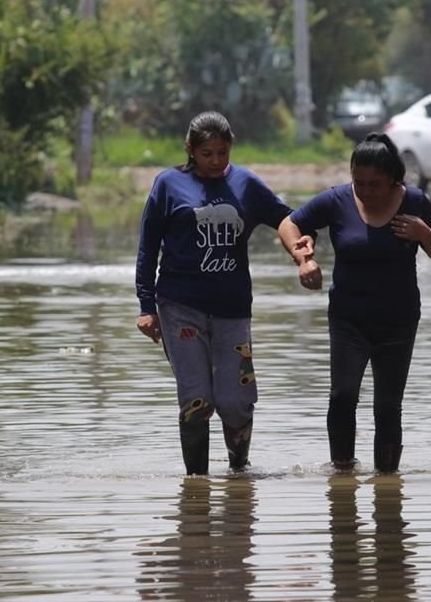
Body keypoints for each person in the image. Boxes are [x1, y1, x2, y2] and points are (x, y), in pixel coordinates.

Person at [135, 111, 314, 475]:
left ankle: (239, 473)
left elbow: (284, 218)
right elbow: (147, 247)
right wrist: (146, 306)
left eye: (222, 153)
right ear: (190, 149)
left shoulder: (245, 183)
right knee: (197, 400)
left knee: (235, 400)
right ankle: (196, 486)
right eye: (207, 154)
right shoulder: (168, 184)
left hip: (232, 309)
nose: (216, 161)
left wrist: (301, 253)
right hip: (179, 307)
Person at [278, 132, 431, 474]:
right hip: (348, 319)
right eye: (359, 183)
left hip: (398, 320)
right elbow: (290, 223)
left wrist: (424, 233)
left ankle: (387, 483)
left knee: (388, 406)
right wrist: (303, 259)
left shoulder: (414, 202)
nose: (366, 191)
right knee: (342, 396)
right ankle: (342, 476)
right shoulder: (337, 200)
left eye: (375, 184)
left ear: (393, 180)